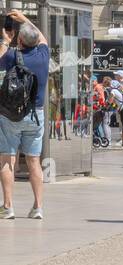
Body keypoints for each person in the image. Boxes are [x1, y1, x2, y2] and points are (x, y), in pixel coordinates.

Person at [0, 14, 49, 220]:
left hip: (11, 115)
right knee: (33, 161)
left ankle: (8, 206)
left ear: (19, 40)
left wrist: (5, 40)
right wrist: (24, 18)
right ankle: (38, 207)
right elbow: (42, 39)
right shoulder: (43, 55)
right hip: (35, 115)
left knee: (7, 159)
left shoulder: (12, 55)